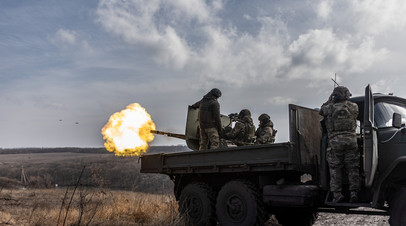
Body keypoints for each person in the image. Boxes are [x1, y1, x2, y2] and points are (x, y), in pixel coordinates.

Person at [319, 86, 360, 203]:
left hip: (335, 143)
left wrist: (329, 100)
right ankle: (353, 192)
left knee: (335, 169)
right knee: (353, 168)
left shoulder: (329, 108)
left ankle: (337, 194)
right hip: (351, 142)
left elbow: (321, 111)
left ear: (335, 96)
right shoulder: (354, 107)